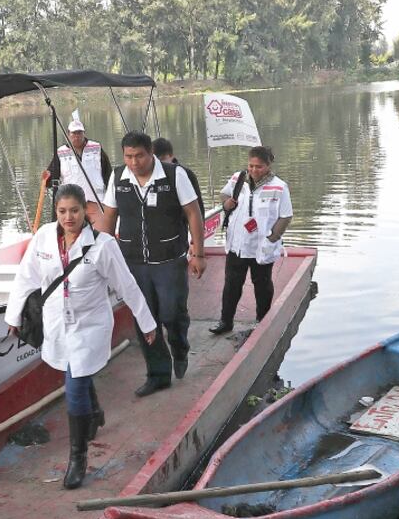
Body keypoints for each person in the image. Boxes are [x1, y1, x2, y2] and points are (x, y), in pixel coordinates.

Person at [5, 184, 157, 489]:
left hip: (90, 326)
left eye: (74, 210)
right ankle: (95, 411)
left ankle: (78, 458)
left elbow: (126, 285)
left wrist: (146, 322)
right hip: (57, 323)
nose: (68, 217)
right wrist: (13, 314)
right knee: (77, 374)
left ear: (85, 212)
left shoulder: (102, 246)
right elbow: (27, 276)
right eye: (62, 211)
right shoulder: (45, 238)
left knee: (73, 384)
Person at [98, 131, 207, 397]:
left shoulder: (173, 175)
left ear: (150, 154)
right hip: (133, 263)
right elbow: (109, 218)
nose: (134, 162)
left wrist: (198, 254)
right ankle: (158, 374)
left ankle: (179, 345)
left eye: (139, 156)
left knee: (172, 313)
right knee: (145, 319)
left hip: (170, 260)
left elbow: (193, 213)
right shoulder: (118, 178)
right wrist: (99, 258)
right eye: (128, 156)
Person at [210, 146, 293, 335]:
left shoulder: (279, 187)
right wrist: (226, 203)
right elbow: (224, 194)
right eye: (251, 166)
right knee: (231, 284)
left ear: (268, 165)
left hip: (261, 247)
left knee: (262, 285)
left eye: (259, 167)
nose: (254, 170)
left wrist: (272, 239)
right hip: (237, 245)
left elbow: (286, 216)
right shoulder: (238, 179)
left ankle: (262, 321)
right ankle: (226, 321)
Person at [45, 111, 112, 223]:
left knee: (99, 230)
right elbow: (50, 178)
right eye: (74, 133)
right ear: (68, 134)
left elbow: (108, 173)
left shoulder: (96, 148)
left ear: (84, 133)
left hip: (96, 200)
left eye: (79, 133)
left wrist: (111, 196)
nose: (77, 136)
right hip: (72, 203)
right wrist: (46, 179)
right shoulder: (61, 153)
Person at [153, 137, 204, 217]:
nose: (160, 164)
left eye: (163, 159)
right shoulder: (152, 174)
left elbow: (199, 206)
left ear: (171, 156)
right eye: (156, 161)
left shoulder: (185, 174)